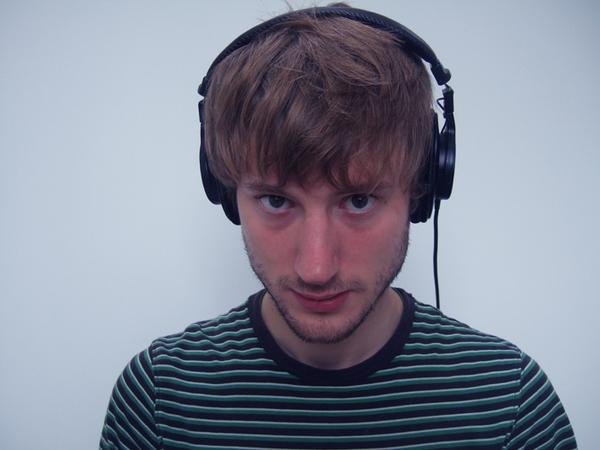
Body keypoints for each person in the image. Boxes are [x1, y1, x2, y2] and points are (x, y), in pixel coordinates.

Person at [100, 4, 577, 449]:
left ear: (421, 189)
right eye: (276, 200)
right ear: (225, 192)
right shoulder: (159, 398)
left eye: (358, 200)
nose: (316, 268)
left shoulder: (512, 403)